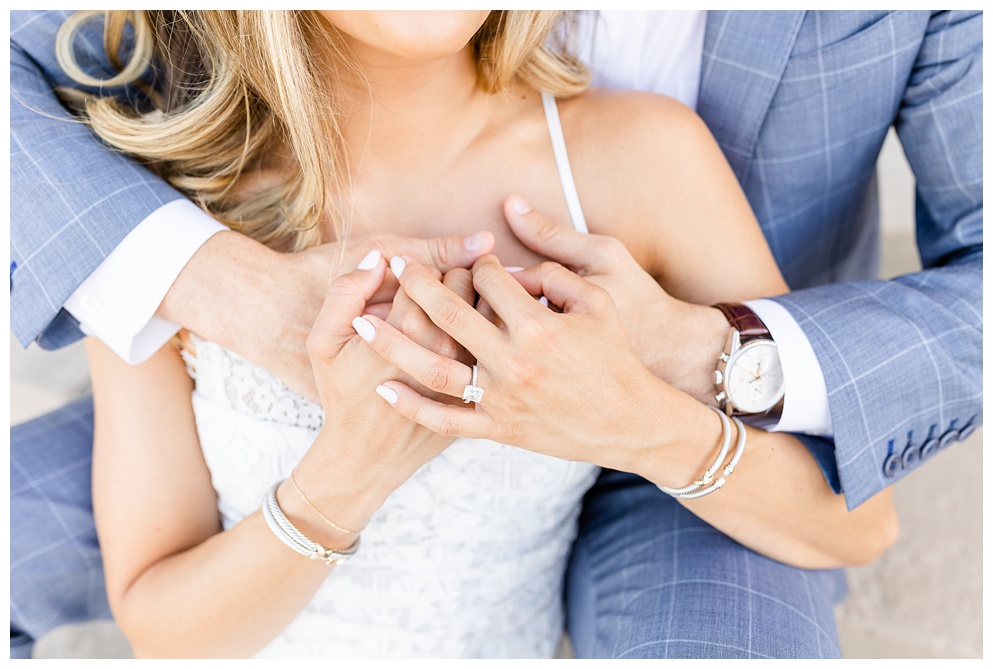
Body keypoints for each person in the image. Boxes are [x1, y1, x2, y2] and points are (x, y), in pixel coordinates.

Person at [8, 9, 980, 659]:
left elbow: (861, 522)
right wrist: (343, 479)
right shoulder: (158, 197)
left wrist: (640, 417)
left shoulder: (638, 161)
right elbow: (166, 624)